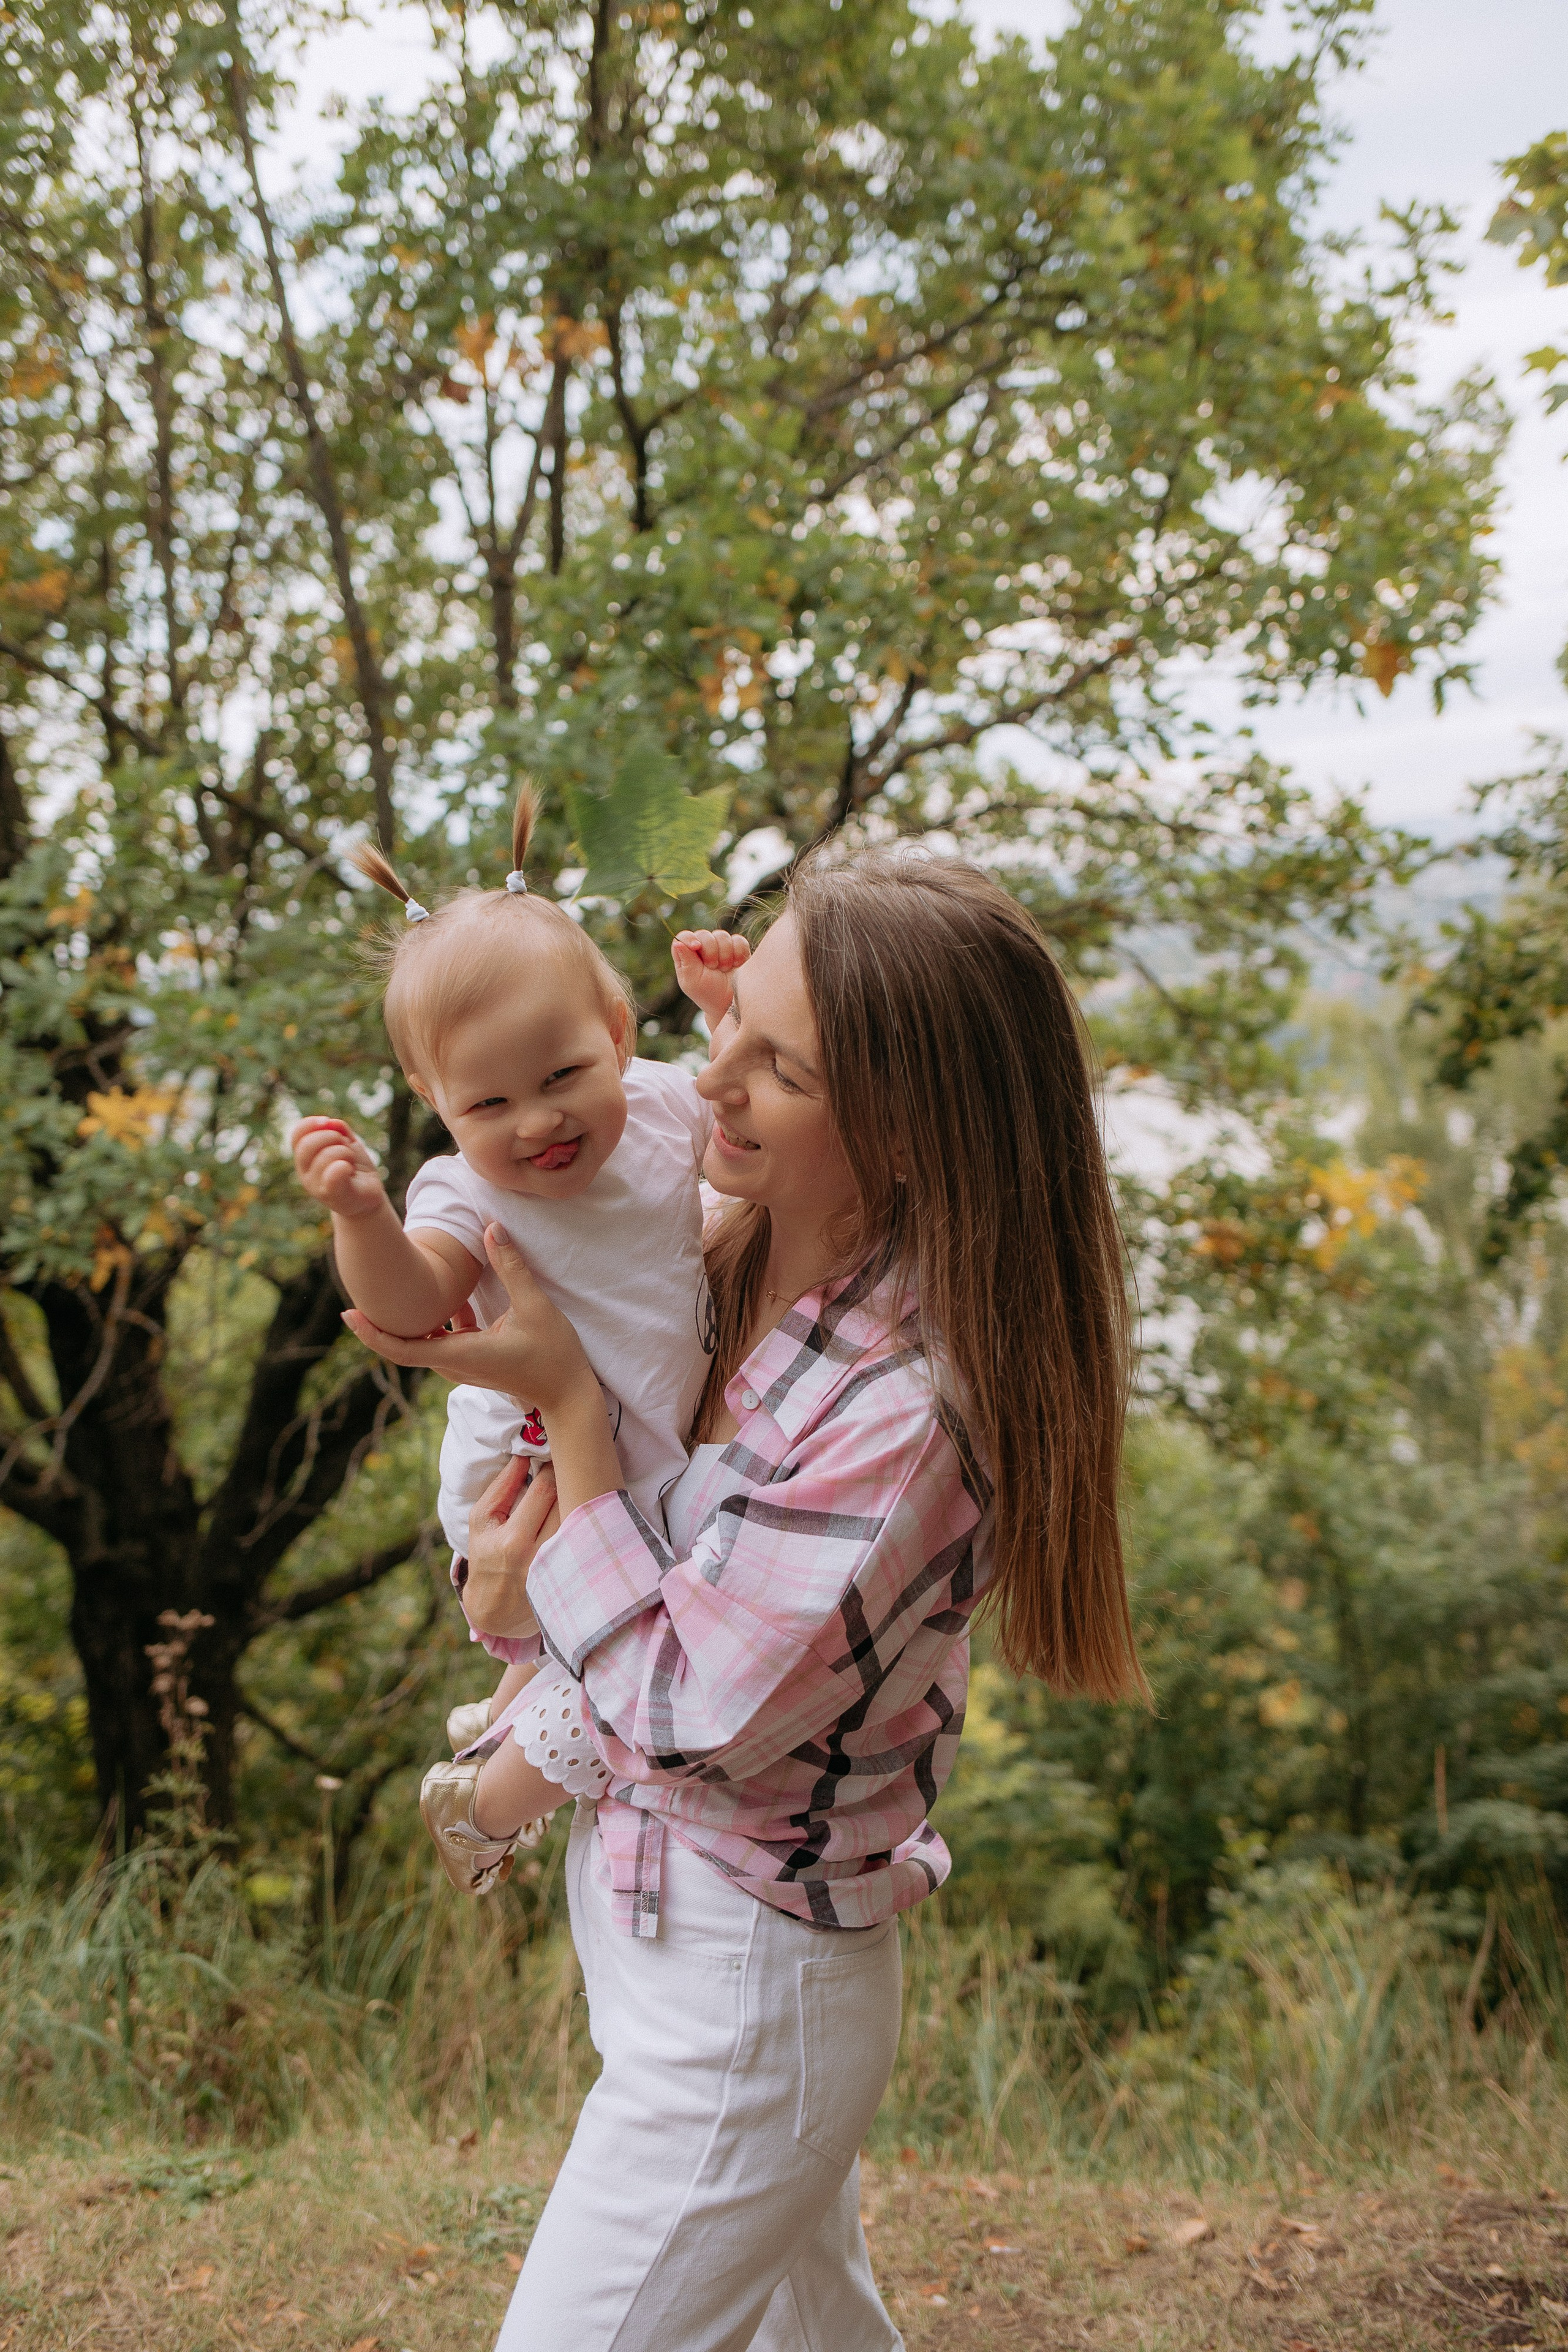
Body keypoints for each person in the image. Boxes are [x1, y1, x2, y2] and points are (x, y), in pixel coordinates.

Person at [345, 845, 1144, 2352]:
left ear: (906, 1125)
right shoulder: (733, 1254)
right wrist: (507, 1576)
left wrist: (567, 1418)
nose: (703, 1085)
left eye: (775, 1067)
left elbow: (685, 1703)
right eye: (719, 1027)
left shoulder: (907, 1408)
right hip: (668, 1944)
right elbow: (562, 1577)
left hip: (745, 1990)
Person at [291, 783, 747, 1882]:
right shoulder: (461, 1193)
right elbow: (408, 1307)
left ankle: (491, 1733)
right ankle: (488, 1800)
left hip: (633, 1449)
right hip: (532, 1468)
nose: (536, 1123)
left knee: (607, 1637)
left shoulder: (663, 1106)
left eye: (562, 1078)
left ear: (620, 1037)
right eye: (487, 1106)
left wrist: (728, 1019)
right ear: (432, 1098)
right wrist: (364, 1217)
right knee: (603, 1652)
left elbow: (743, 1126)